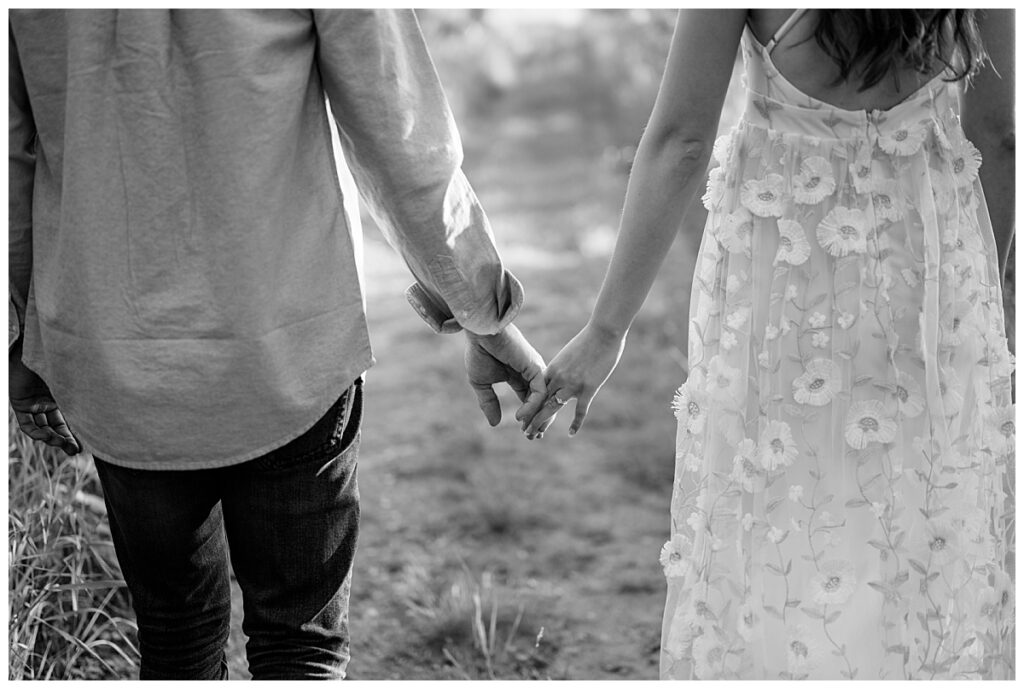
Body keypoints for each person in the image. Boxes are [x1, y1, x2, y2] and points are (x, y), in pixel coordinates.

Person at [9, 9, 545, 680]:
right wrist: (480, 310)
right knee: (301, 649)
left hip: (120, 354)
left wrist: (19, 333)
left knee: (173, 641)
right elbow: (396, 128)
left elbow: (11, 146)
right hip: (293, 345)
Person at [518, 9, 1014, 680]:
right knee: (915, 508)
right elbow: (1000, 134)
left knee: (781, 512)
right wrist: (987, 296)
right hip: (927, 270)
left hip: (786, 274)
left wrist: (607, 328)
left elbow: (680, 143)